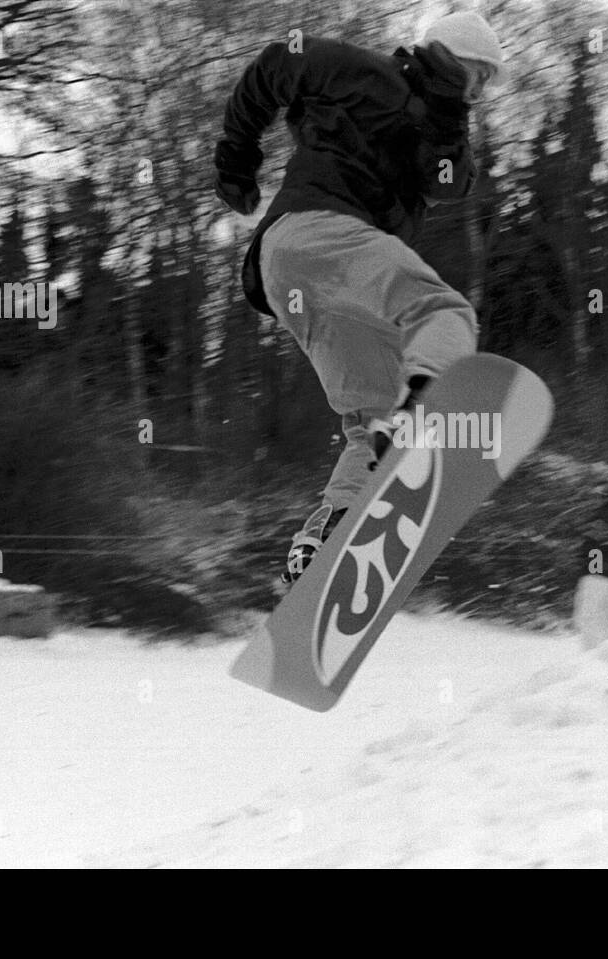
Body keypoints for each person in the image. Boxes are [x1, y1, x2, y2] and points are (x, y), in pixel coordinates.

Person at [214, 12, 506, 584]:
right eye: (479, 77)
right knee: (444, 311)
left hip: (298, 277)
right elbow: (276, 65)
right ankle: (420, 414)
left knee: (369, 414)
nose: (479, 93)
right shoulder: (359, 69)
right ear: (455, 58)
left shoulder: (445, 130)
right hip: (319, 236)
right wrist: (236, 153)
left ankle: (330, 533)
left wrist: (448, 117)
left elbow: (449, 182)